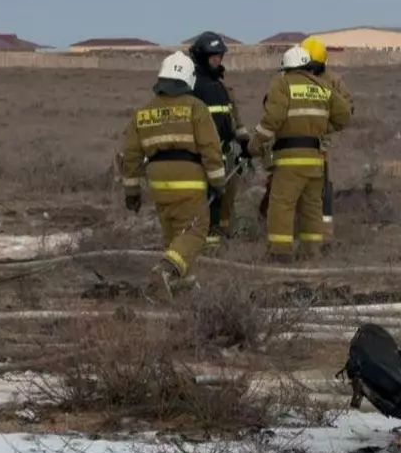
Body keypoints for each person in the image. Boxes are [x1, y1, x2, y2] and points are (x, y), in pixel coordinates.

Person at [121, 51, 225, 300]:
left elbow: (131, 156)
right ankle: (166, 270)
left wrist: (132, 192)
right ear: (188, 79)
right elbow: (211, 148)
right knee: (195, 231)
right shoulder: (195, 107)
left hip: (158, 181)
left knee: (173, 234)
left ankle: (183, 285)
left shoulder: (143, 112)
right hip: (188, 177)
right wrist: (218, 182)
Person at [248, 45, 351, 261]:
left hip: (290, 159)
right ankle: (311, 253)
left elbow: (272, 119)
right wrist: (321, 129)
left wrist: (255, 145)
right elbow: (344, 116)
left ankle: (279, 253)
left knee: (282, 204)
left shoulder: (282, 84)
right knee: (312, 207)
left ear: (286, 67)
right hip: (316, 160)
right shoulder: (322, 86)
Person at [186, 32, 252, 247]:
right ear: (201, 56)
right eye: (212, 56)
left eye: (219, 56)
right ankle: (204, 243)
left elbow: (234, 118)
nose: (216, 59)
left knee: (226, 198)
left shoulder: (221, 86)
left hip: (226, 152)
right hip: (202, 156)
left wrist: (244, 146)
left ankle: (223, 237)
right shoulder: (192, 86)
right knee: (207, 202)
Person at [301, 35, 353, 240]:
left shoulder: (332, 81)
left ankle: (325, 230)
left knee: (321, 186)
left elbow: (347, 109)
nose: (312, 70)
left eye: (315, 66)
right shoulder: (291, 78)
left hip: (319, 144)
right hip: (294, 140)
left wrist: (324, 127)